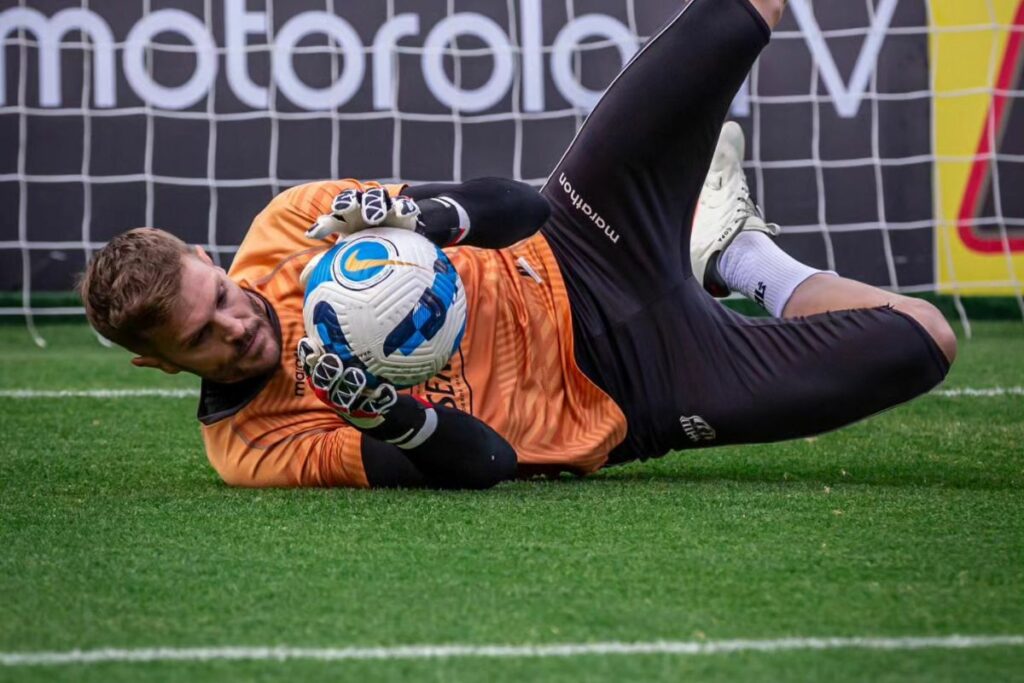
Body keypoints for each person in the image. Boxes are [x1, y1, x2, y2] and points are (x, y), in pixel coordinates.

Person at [78, 0, 955, 489]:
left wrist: (417, 218)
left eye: (220, 293)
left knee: (737, 15)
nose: (236, 320)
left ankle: (714, 248)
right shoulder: (255, 450)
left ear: (209, 256)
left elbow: (519, 208)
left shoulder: (284, 232)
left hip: (581, 239)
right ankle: (741, 262)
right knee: (926, 339)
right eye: (201, 335)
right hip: (637, 393)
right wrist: (385, 413)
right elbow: (488, 463)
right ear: (158, 364)